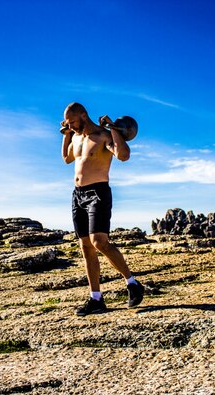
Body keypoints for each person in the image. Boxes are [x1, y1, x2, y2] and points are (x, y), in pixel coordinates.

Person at [61, 102, 144, 316]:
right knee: (86, 246)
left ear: (83, 115)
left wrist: (114, 129)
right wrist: (65, 135)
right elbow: (67, 158)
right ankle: (96, 298)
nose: (70, 126)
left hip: (98, 192)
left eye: (72, 122)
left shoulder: (103, 135)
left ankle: (132, 283)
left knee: (99, 242)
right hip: (78, 194)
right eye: (67, 123)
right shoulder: (76, 137)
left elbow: (123, 155)